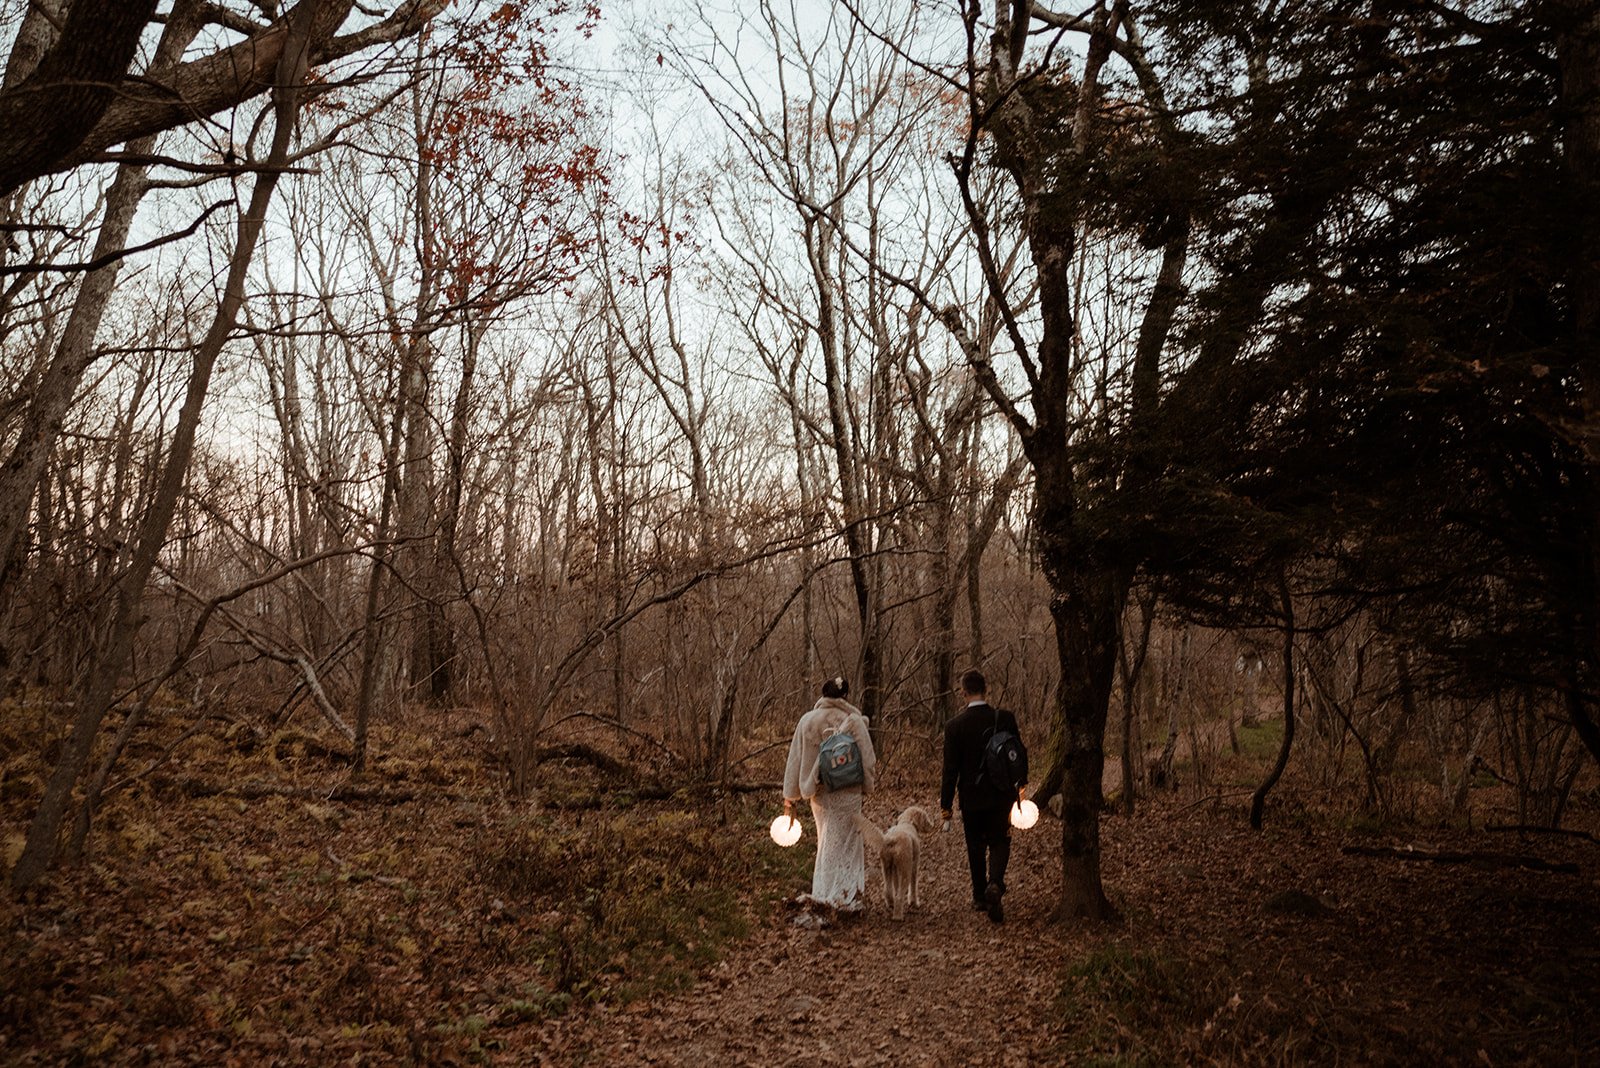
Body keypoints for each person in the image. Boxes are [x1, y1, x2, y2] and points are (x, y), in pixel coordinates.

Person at [782, 675, 877, 911]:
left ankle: (825, 893)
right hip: (850, 791)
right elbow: (869, 758)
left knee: (827, 841)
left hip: (821, 793)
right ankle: (849, 896)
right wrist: (867, 784)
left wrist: (789, 799)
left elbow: (795, 761)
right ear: (845, 696)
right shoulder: (853, 720)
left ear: (823, 695)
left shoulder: (808, 720)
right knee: (849, 843)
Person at [940, 668, 1023, 923]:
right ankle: (996, 883)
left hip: (971, 796)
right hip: (1002, 795)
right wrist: (1021, 789)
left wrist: (946, 806)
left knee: (975, 845)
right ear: (985, 690)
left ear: (964, 692)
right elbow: (1017, 755)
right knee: (1000, 841)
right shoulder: (1005, 718)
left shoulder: (954, 726)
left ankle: (979, 895)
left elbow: (950, 769)